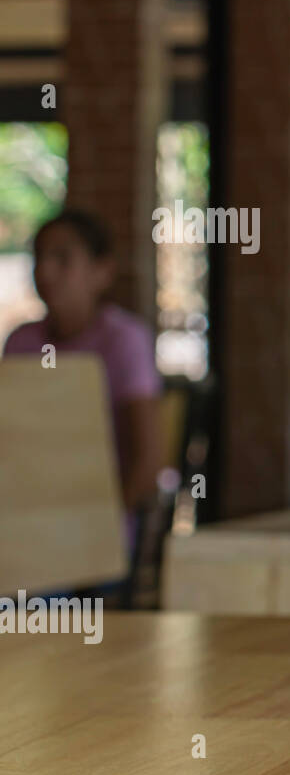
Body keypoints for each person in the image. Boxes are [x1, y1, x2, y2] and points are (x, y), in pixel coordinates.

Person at [2, 210, 163, 576]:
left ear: (102, 271)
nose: (44, 271)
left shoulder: (124, 341)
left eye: (62, 258)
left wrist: (97, 524)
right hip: (25, 522)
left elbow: (150, 460)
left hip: (96, 534)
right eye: (39, 257)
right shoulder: (21, 341)